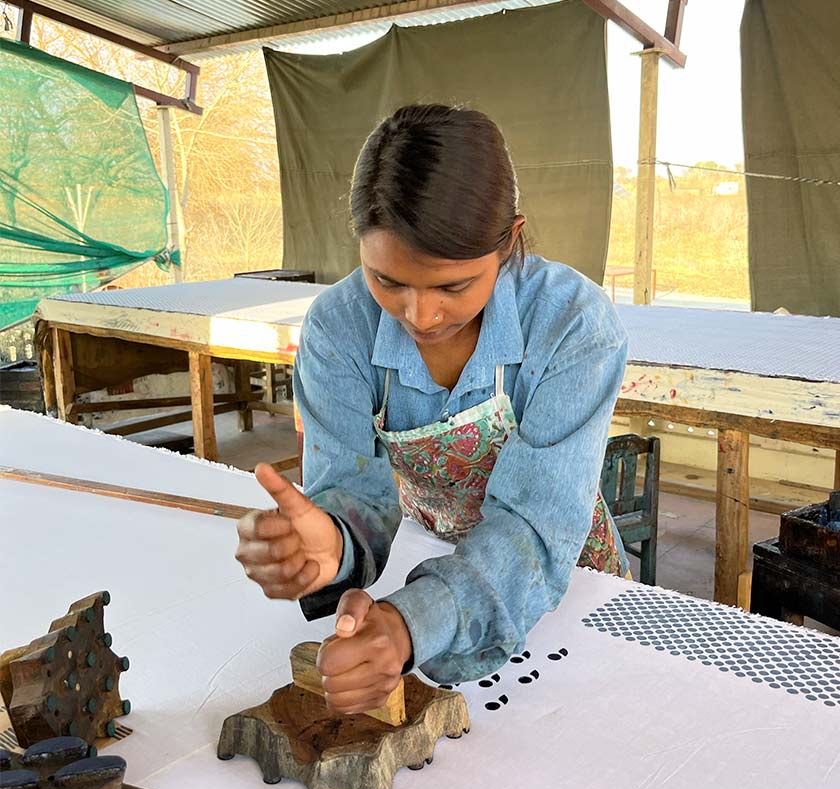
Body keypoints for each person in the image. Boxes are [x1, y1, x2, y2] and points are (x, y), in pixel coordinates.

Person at [235, 104, 629, 716]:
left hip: (570, 575)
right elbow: (352, 495)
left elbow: (533, 526)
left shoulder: (572, 323)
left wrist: (412, 621)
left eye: (452, 286)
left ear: (511, 240)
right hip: (437, 562)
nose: (421, 317)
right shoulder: (338, 327)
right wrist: (330, 546)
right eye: (387, 280)